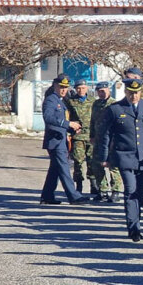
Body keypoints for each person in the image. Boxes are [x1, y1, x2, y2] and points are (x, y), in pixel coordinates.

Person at [96, 78, 143, 241]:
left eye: (137, 93)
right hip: (124, 156)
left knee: (139, 193)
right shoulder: (115, 109)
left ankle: (136, 221)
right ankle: (134, 228)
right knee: (130, 191)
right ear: (125, 92)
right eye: (130, 93)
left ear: (140, 92)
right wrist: (104, 157)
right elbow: (105, 135)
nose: (134, 96)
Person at [40, 74, 88, 206]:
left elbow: (60, 122)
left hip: (60, 139)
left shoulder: (60, 100)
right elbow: (48, 118)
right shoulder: (51, 100)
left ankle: (47, 196)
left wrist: (72, 128)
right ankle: (73, 196)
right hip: (55, 141)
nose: (63, 90)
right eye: (61, 87)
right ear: (55, 86)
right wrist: (68, 124)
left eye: (65, 87)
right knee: (64, 168)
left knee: (54, 170)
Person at [90, 82, 122, 203]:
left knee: (113, 166)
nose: (101, 93)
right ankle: (102, 190)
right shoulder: (96, 104)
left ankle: (116, 191)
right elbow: (92, 121)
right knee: (96, 164)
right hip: (98, 138)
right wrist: (92, 135)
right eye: (99, 91)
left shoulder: (114, 104)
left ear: (108, 90)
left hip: (112, 139)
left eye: (103, 91)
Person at [65, 79, 95, 195]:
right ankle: (79, 185)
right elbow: (67, 117)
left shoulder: (92, 101)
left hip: (91, 135)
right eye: (78, 88)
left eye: (83, 88)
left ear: (86, 88)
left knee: (92, 161)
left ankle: (94, 185)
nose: (81, 90)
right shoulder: (71, 102)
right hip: (78, 136)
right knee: (78, 161)